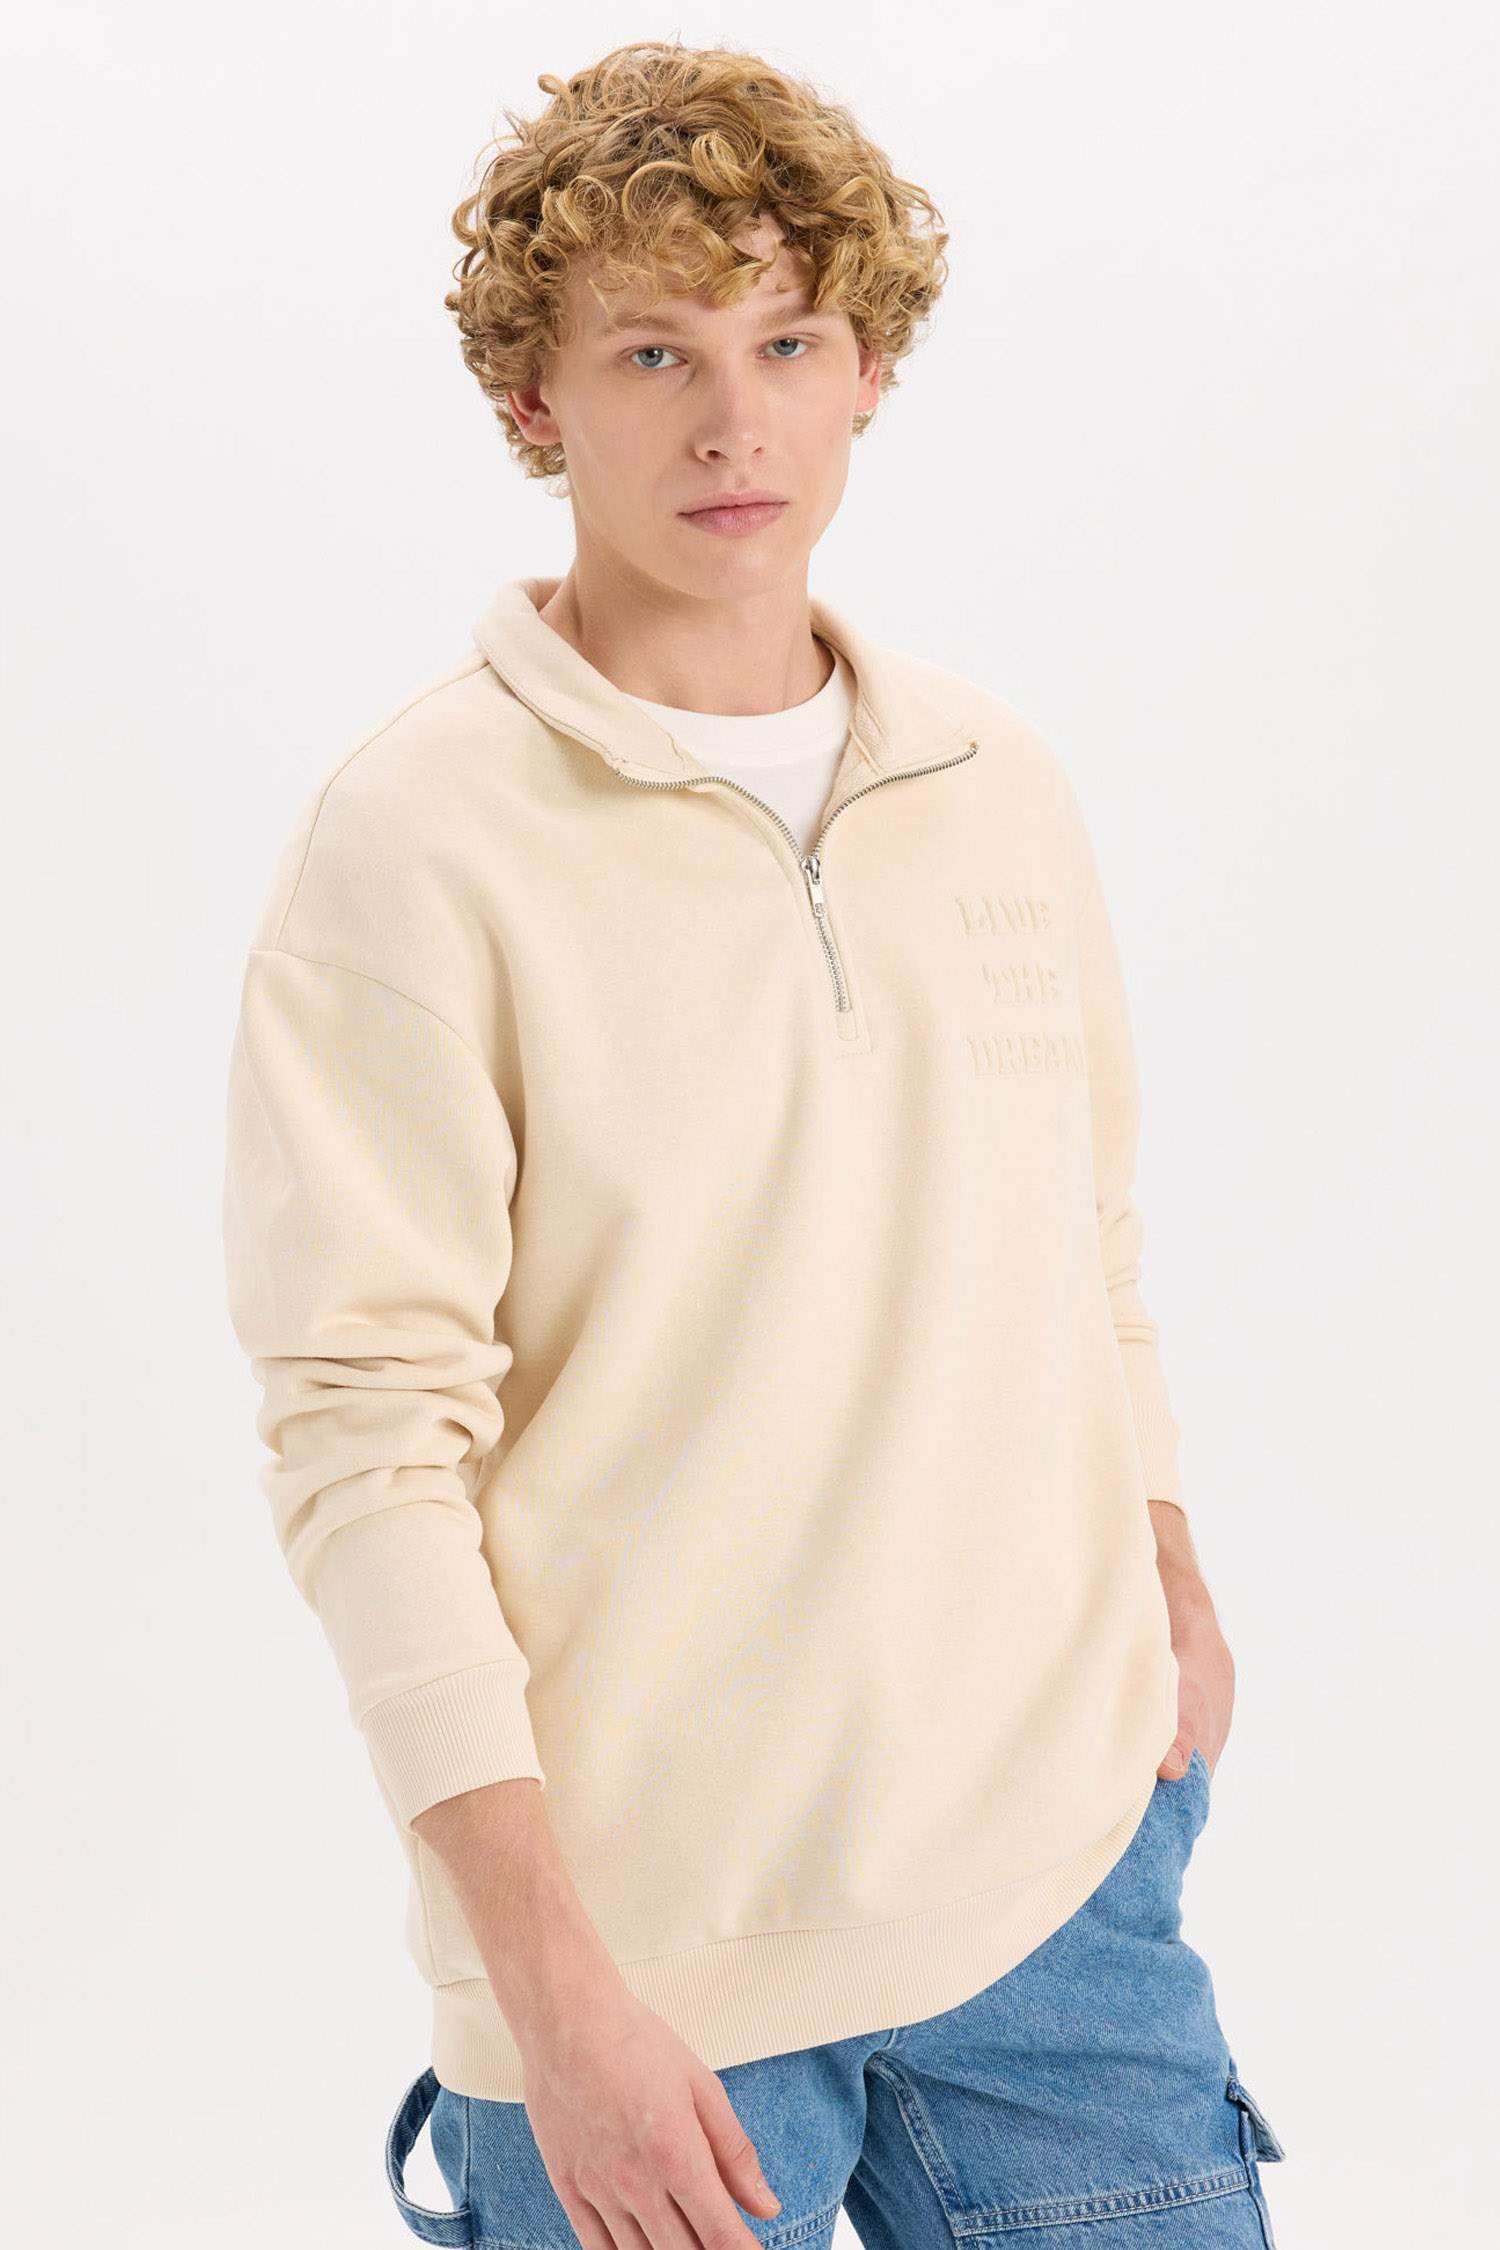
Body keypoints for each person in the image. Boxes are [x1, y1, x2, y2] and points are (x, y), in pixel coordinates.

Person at [221, 36, 1287, 2250]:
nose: (734, 422)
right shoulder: (413, 845)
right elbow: (366, 1443)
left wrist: (1169, 1575)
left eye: (788, 342)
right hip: (643, 1970)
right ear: (531, 395)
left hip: (1064, 1898)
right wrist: (547, 1989)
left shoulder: (993, 781)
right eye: (655, 352)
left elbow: (1086, 1244)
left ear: (867, 369)